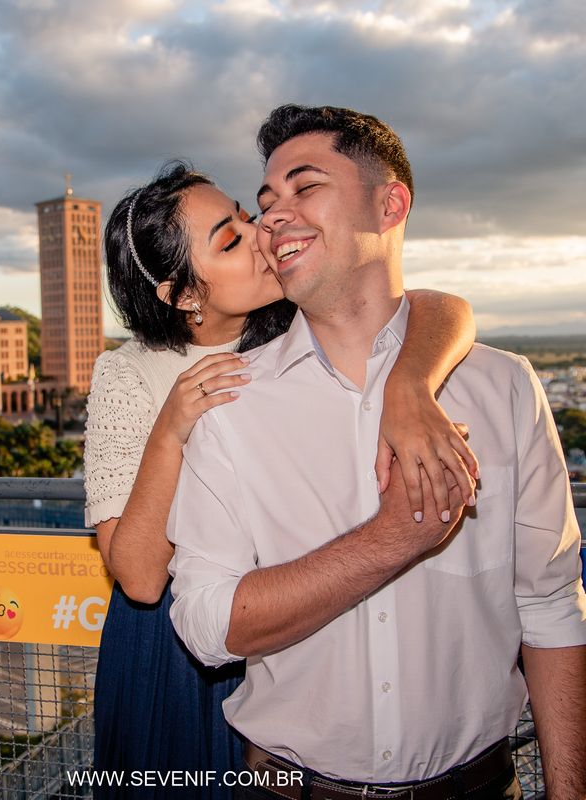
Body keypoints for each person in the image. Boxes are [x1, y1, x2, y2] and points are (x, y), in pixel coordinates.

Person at [168, 106, 586, 800]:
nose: (273, 217)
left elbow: (549, 605)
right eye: (267, 202)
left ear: (389, 204)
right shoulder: (229, 408)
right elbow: (207, 625)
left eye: (306, 188)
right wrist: (392, 540)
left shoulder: (504, 386)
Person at [84, 160, 480, 798]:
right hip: (175, 659)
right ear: (184, 294)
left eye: (245, 214)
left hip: (298, 617)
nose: (261, 229)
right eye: (231, 238)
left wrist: (412, 384)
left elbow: (439, 307)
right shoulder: (129, 374)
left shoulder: (297, 324)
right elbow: (138, 575)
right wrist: (171, 428)